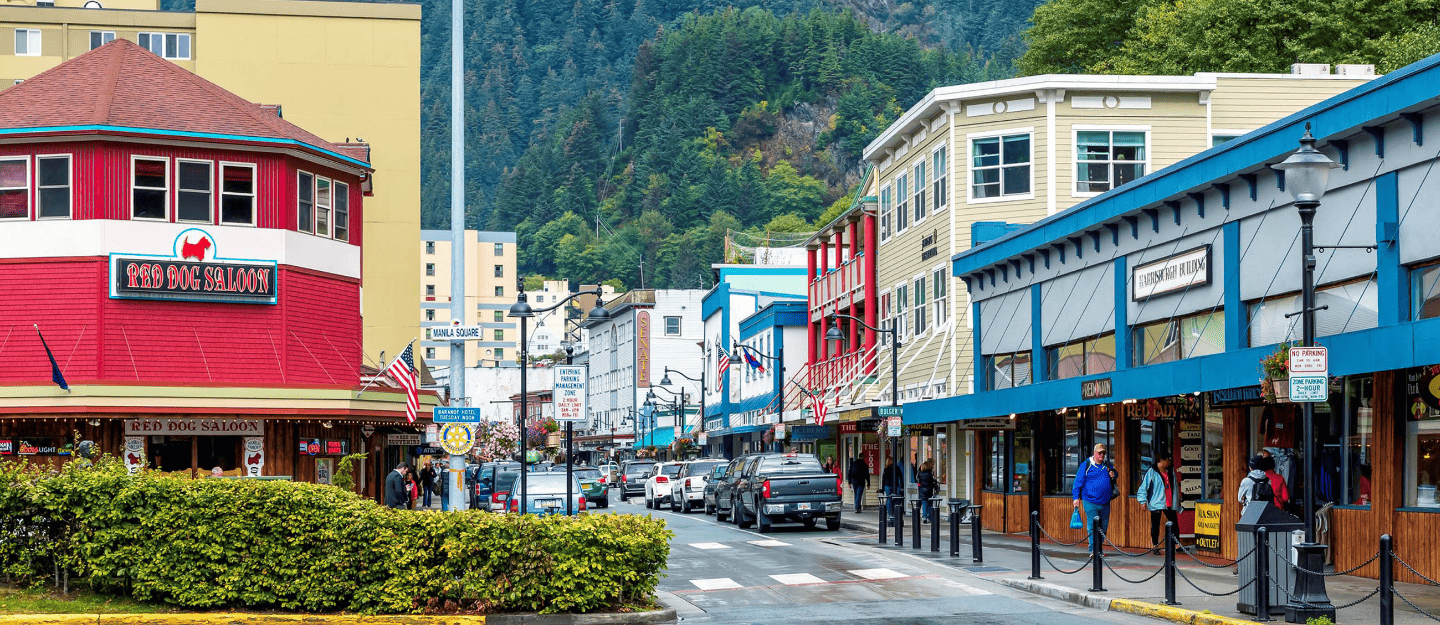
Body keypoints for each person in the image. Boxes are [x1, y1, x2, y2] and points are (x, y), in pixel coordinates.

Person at [1072, 444, 1117, 551]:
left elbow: (1115, 474)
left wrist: (1113, 474)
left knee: (1104, 527)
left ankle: (1098, 548)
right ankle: (1093, 550)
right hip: (1090, 501)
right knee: (1092, 526)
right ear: (1094, 453)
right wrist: (1076, 498)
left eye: (1103, 453)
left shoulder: (1107, 464)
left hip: (1105, 502)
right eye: (1099, 453)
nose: (1102, 455)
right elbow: (1077, 482)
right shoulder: (1086, 465)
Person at [1136, 455, 1179, 552]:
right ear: (1161, 460)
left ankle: (1177, 545)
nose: (1169, 462)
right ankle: (1155, 545)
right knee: (1155, 525)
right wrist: (1142, 501)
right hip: (1156, 503)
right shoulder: (1151, 472)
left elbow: (1175, 487)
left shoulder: (1170, 471)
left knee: (1174, 524)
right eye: (1168, 460)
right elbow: (1143, 487)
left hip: (1169, 502)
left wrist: (1177, 501)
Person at [916, 459, 937, 523]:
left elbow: (917, 480)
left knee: (924, 503)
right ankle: (929, 516)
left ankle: (924, 516)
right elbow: (931, 482)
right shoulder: (929, 474)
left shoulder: (920, 474)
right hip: (929, 490)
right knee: (930, 504)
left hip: (922, 490)